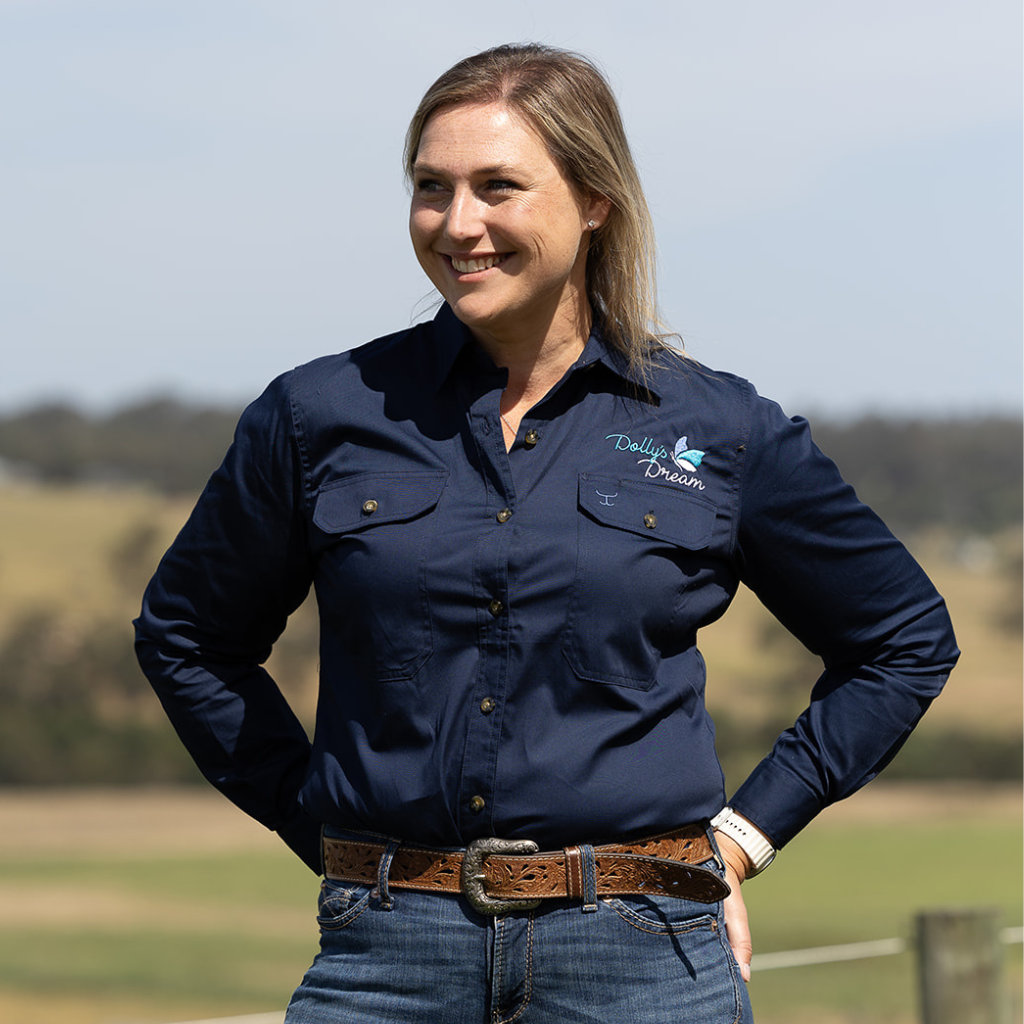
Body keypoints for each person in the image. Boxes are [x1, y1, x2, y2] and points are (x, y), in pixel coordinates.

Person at [135, 42, 959, 1023]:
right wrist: (312, 816)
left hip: (644, 958)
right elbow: (187, 636)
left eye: (498, 187)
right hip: (384, 959)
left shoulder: (718, 428)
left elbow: (903, 641)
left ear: (595, 199)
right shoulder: (317, 416)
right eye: (431, 188)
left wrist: (740, 840)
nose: (458, 223)